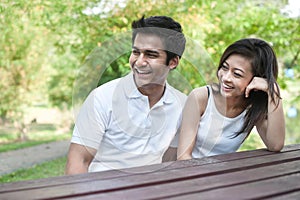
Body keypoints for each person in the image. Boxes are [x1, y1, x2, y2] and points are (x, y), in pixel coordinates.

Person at [65, 15, 187, 174]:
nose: (139, 62)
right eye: (136, 52)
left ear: (173, 62)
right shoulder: (102, 98)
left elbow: (172, 161)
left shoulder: (182, 105)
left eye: (151, 55)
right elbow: (78, 162)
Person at [177, 38, 285, 160]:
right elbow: (183, 157)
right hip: (188, 173)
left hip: (224, 174)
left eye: (237, 74)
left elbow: (275, 145)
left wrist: (273, 92)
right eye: (224, 67)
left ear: (256, 79)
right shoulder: (201, 97)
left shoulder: (252, 108)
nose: (226, 78)